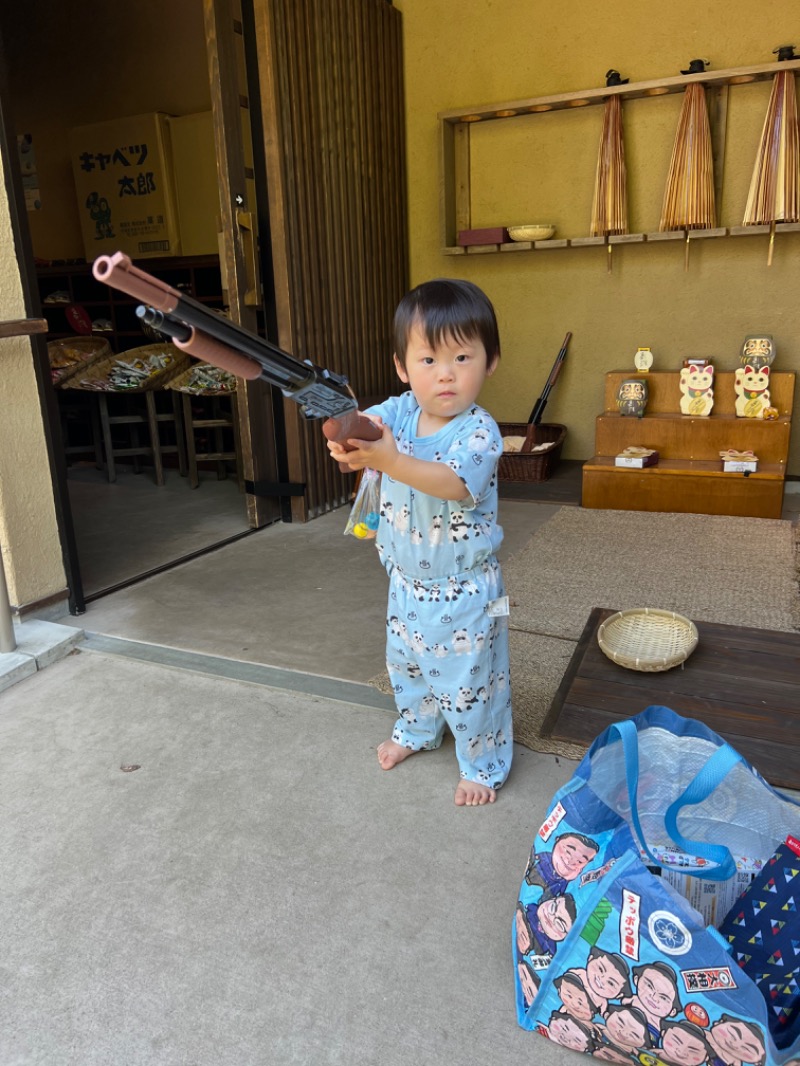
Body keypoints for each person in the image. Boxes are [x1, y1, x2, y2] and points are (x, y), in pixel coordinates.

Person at [326, 278, 512, 807]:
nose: (446, 373)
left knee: (474, 684)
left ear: (490, 360)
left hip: (466, 594)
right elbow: (368, 425)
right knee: (407, 667)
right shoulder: (402, 411)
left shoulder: (480, 433)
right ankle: (417, 730)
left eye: (462, 356)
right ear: (403, 368)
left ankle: (483, 762)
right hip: (405, 581)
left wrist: (389, 461)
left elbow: (452, 483)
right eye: (428, 360)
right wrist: (350, 439)